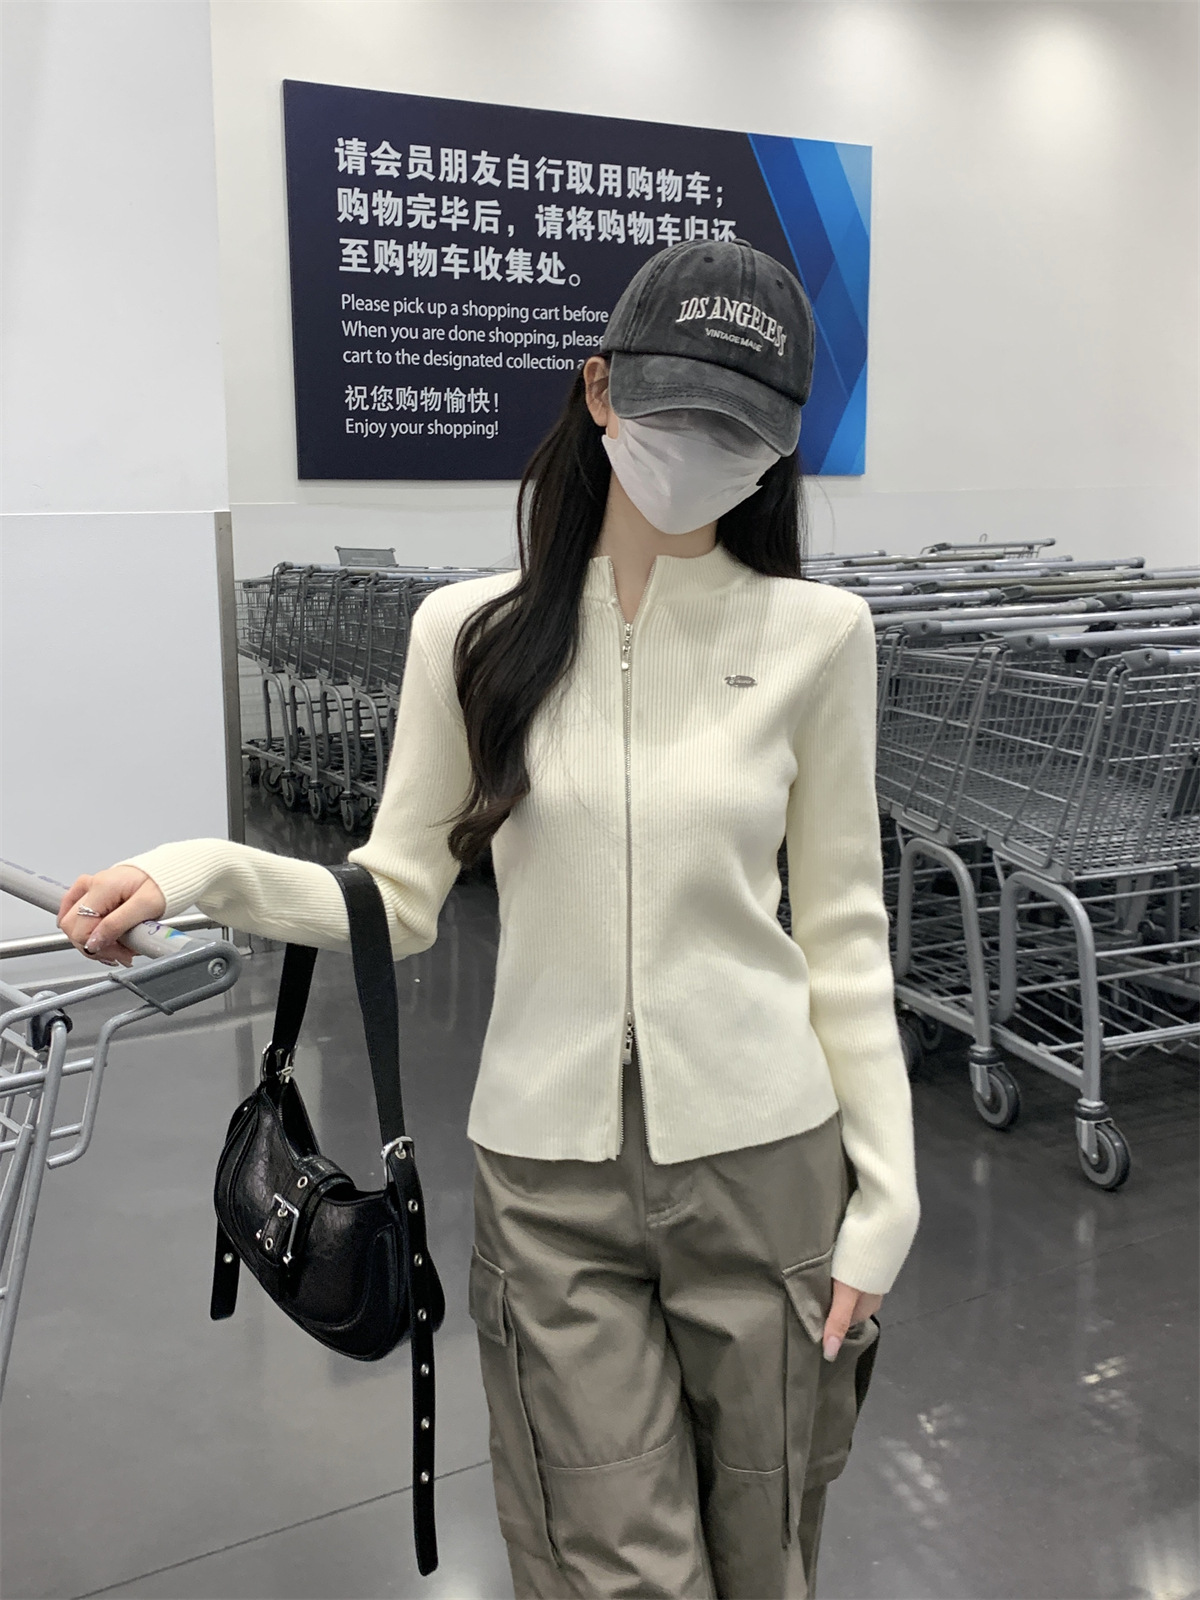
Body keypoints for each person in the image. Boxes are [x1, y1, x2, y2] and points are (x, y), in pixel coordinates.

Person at [59, 239, 919, 1600]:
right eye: (680, 411)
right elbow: (398, 900)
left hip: (772, 1170)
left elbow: (845, 929)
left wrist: (888, 1198)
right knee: (613, 1566)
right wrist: (205, 870)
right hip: (549, 1184)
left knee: (769, 1546)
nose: (704, 451)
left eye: (743, 431)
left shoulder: (822, 636)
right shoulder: (470, 636)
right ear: (600, 389)